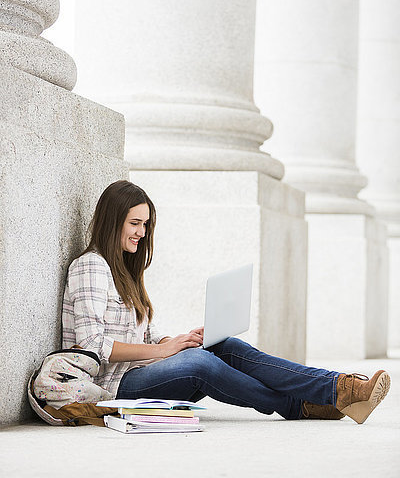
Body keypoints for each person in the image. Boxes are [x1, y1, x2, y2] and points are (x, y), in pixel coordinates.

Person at [62, 180, 391, 423]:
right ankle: (300, 404)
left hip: (139, 373)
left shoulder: (123, 270)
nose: (142, 233)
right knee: (200, 364)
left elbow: (140, 335)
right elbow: (92, 344)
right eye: (135, 223)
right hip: (111, 385)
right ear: (112, 222)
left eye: (146, 225)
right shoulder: (91, 265)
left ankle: (338, 387)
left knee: (223, 346)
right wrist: (164, 351)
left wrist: (175, 340)